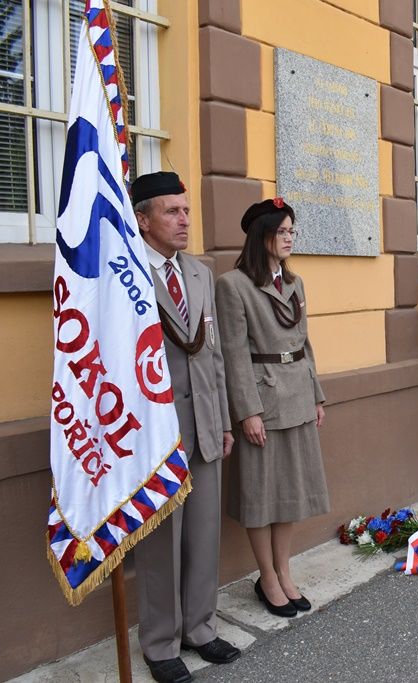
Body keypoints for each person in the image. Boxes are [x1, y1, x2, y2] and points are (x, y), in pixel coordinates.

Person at [132, 171, 240, 683]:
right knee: (161, 543)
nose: (184, 220)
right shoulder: (125, 275)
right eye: (172, 211)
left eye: (187, 210)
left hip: (203, 424)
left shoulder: (198, 273)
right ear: (143, 220)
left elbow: (212, 355)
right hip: (155, 432)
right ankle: (159, 642)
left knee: (202, 532)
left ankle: (200, 626)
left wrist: (221, 419)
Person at [215, 197, 329, 619]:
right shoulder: (234, 285)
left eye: (292, 231)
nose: (289, 238)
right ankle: (266, 576)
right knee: (262, 494)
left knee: (290, 492)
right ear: (261, 236)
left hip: (297, 394)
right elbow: (233, 353)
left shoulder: (295, 283)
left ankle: (284, 570)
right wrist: (246, 412)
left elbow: (305, 343)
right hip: (263, 399)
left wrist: (317, 394)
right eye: (282, 231)